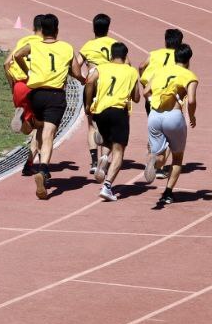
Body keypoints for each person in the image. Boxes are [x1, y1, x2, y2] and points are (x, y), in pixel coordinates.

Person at [10, 13, 82, 199]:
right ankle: (42, 170)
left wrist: (28, 71)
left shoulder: (34, 45)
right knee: (49, 134)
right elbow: (75, 72)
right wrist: (83, 79)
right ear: (57, 30)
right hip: (55, 95)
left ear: (42, 30)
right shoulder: (66, 47)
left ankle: (27, 121)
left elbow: (17, 55)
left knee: (38, 128)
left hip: (36, 94)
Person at [83, 41, 140, 202]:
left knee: (108, 142)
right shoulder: (131, 71)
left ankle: (104, 158)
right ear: (125, 56)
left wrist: (88, 103)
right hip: (118, 112)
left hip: (100, 112)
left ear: (110, 56)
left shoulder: (101, 68)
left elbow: (89, 81)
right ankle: (107, 186)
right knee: (119, 150)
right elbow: (136, 98)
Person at [144, 43, 198, 205]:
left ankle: (154, 161)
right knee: (177, 157)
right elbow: (192, 100)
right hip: (173, 117)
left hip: (154, 115)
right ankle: (167, 193)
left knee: (159, 154)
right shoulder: (189, 76)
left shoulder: (160, 71)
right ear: (188, 60)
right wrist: (192, 116)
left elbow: (146, 91)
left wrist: (154, 101)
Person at [4, 14, 45, 175]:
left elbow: (6, 63)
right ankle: (35, 163)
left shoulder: (23, 42)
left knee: (29, 129)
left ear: (34, 28)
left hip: (18, 86)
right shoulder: (45, 45)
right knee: (41, 127)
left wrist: (12, 86)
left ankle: (29, 163)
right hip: (35, 85)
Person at [139, 28, 184, 166]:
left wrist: (144, 81)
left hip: (151, 95)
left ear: (165, 41)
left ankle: (154, 155)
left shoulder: (154, 54)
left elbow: (141, 66)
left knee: (155, 127)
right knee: (170, 131)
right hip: (168, 97)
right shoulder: (179, 57)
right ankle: (160, 165)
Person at [78, 13, 116, 175]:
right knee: (110, 122)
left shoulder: (88, 46)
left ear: (93, 28)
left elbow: (77, 64)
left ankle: (94, 162)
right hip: (110, 85)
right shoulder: (115, 44)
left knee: (91, 125)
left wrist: (80, 77)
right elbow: (127, 64)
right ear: (108, 28)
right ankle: (105, 157)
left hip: (92, 82)